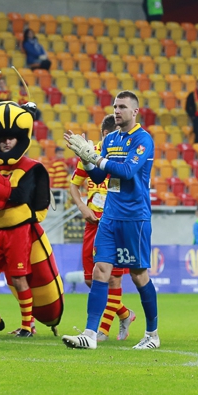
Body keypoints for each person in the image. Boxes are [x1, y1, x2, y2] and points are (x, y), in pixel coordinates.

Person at [61, 90, 160, 350]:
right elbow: (99, 177)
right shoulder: (111, 139)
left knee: (138, 275)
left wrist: (95, 157)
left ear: (135, 111)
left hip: (134, 217)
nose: (117, 111)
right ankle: (90, 334)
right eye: (115, 106)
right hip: (109, 216)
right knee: (100, 271)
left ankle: (152, 334)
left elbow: (127, 171)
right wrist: (86, 159)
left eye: (122, 107)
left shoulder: (143, 139)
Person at [0, 100, 55, 339]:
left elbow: (21, 196)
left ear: (20, 139)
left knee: (18, 278)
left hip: (19, 231)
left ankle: (27, 325)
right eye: (2, 138)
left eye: (11, 137)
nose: (6, 141)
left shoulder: (31, 167)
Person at [69, 114, 136, 341]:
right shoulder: (89, 154)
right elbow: (74, 185)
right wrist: (82, 207)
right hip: (92, 224)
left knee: (114, 279)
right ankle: (125, 314)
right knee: (92, 280)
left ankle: (102, 331)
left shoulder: (124, 157)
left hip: (115, 224)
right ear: (105, 135)